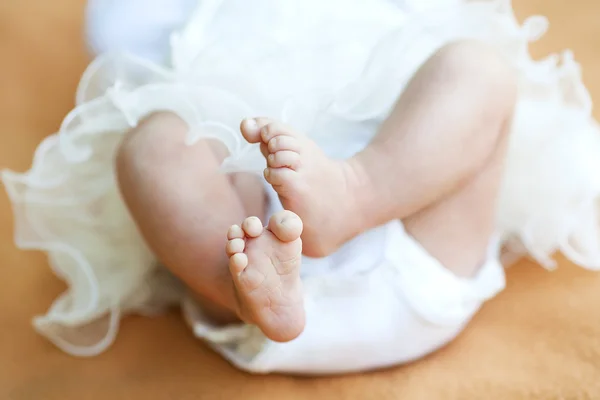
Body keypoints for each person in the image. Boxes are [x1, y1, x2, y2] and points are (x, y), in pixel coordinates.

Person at [4, 0, 600, 374]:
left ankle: (357, 191)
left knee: (477, 70)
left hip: (415, 226)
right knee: (153, 143)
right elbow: (121, 51)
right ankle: (243, 285)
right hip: (250, 252)